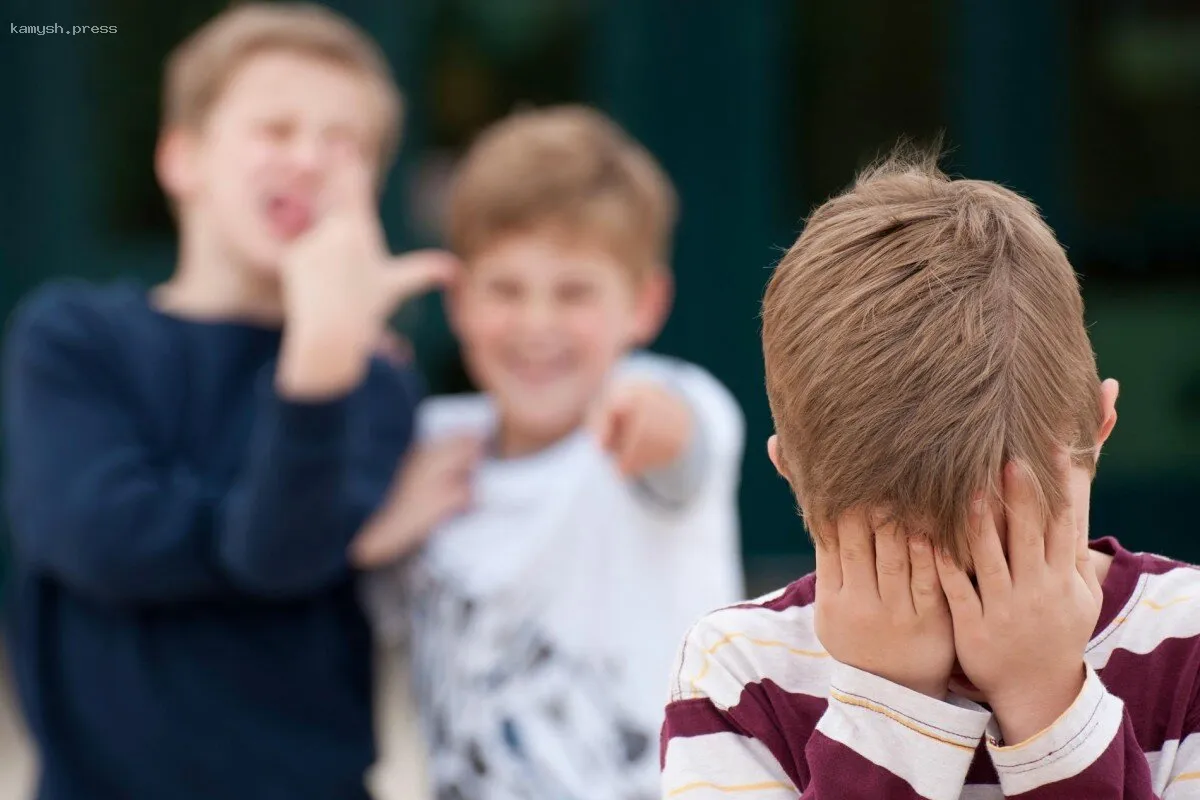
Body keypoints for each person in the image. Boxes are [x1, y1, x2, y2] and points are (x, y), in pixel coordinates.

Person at [1, 4, 454, 798]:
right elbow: (103, 537)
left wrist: (321, 352)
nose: (309, 159)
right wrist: (340, 539)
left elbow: (274, 553)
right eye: (276, 130)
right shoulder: (72, 337)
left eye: (343, 144)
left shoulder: (373, 381)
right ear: (183, 158)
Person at [659, 150, 1200, 799]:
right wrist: (893, 707)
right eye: (908, 553)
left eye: (1003, 540)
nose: (974, 608)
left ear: (1100, 430)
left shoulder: (1186, 646)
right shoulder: (739, 675)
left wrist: (1046, 698)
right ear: (795, 477)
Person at [355, 105, 746, 800]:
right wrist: (380, 526)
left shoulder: (663, 396)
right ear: (459, 301)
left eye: (574, 293)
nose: (537, 324)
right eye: (506, 289)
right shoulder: (428, 446)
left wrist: (648, 419)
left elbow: (681, 440)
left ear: (645, 304)